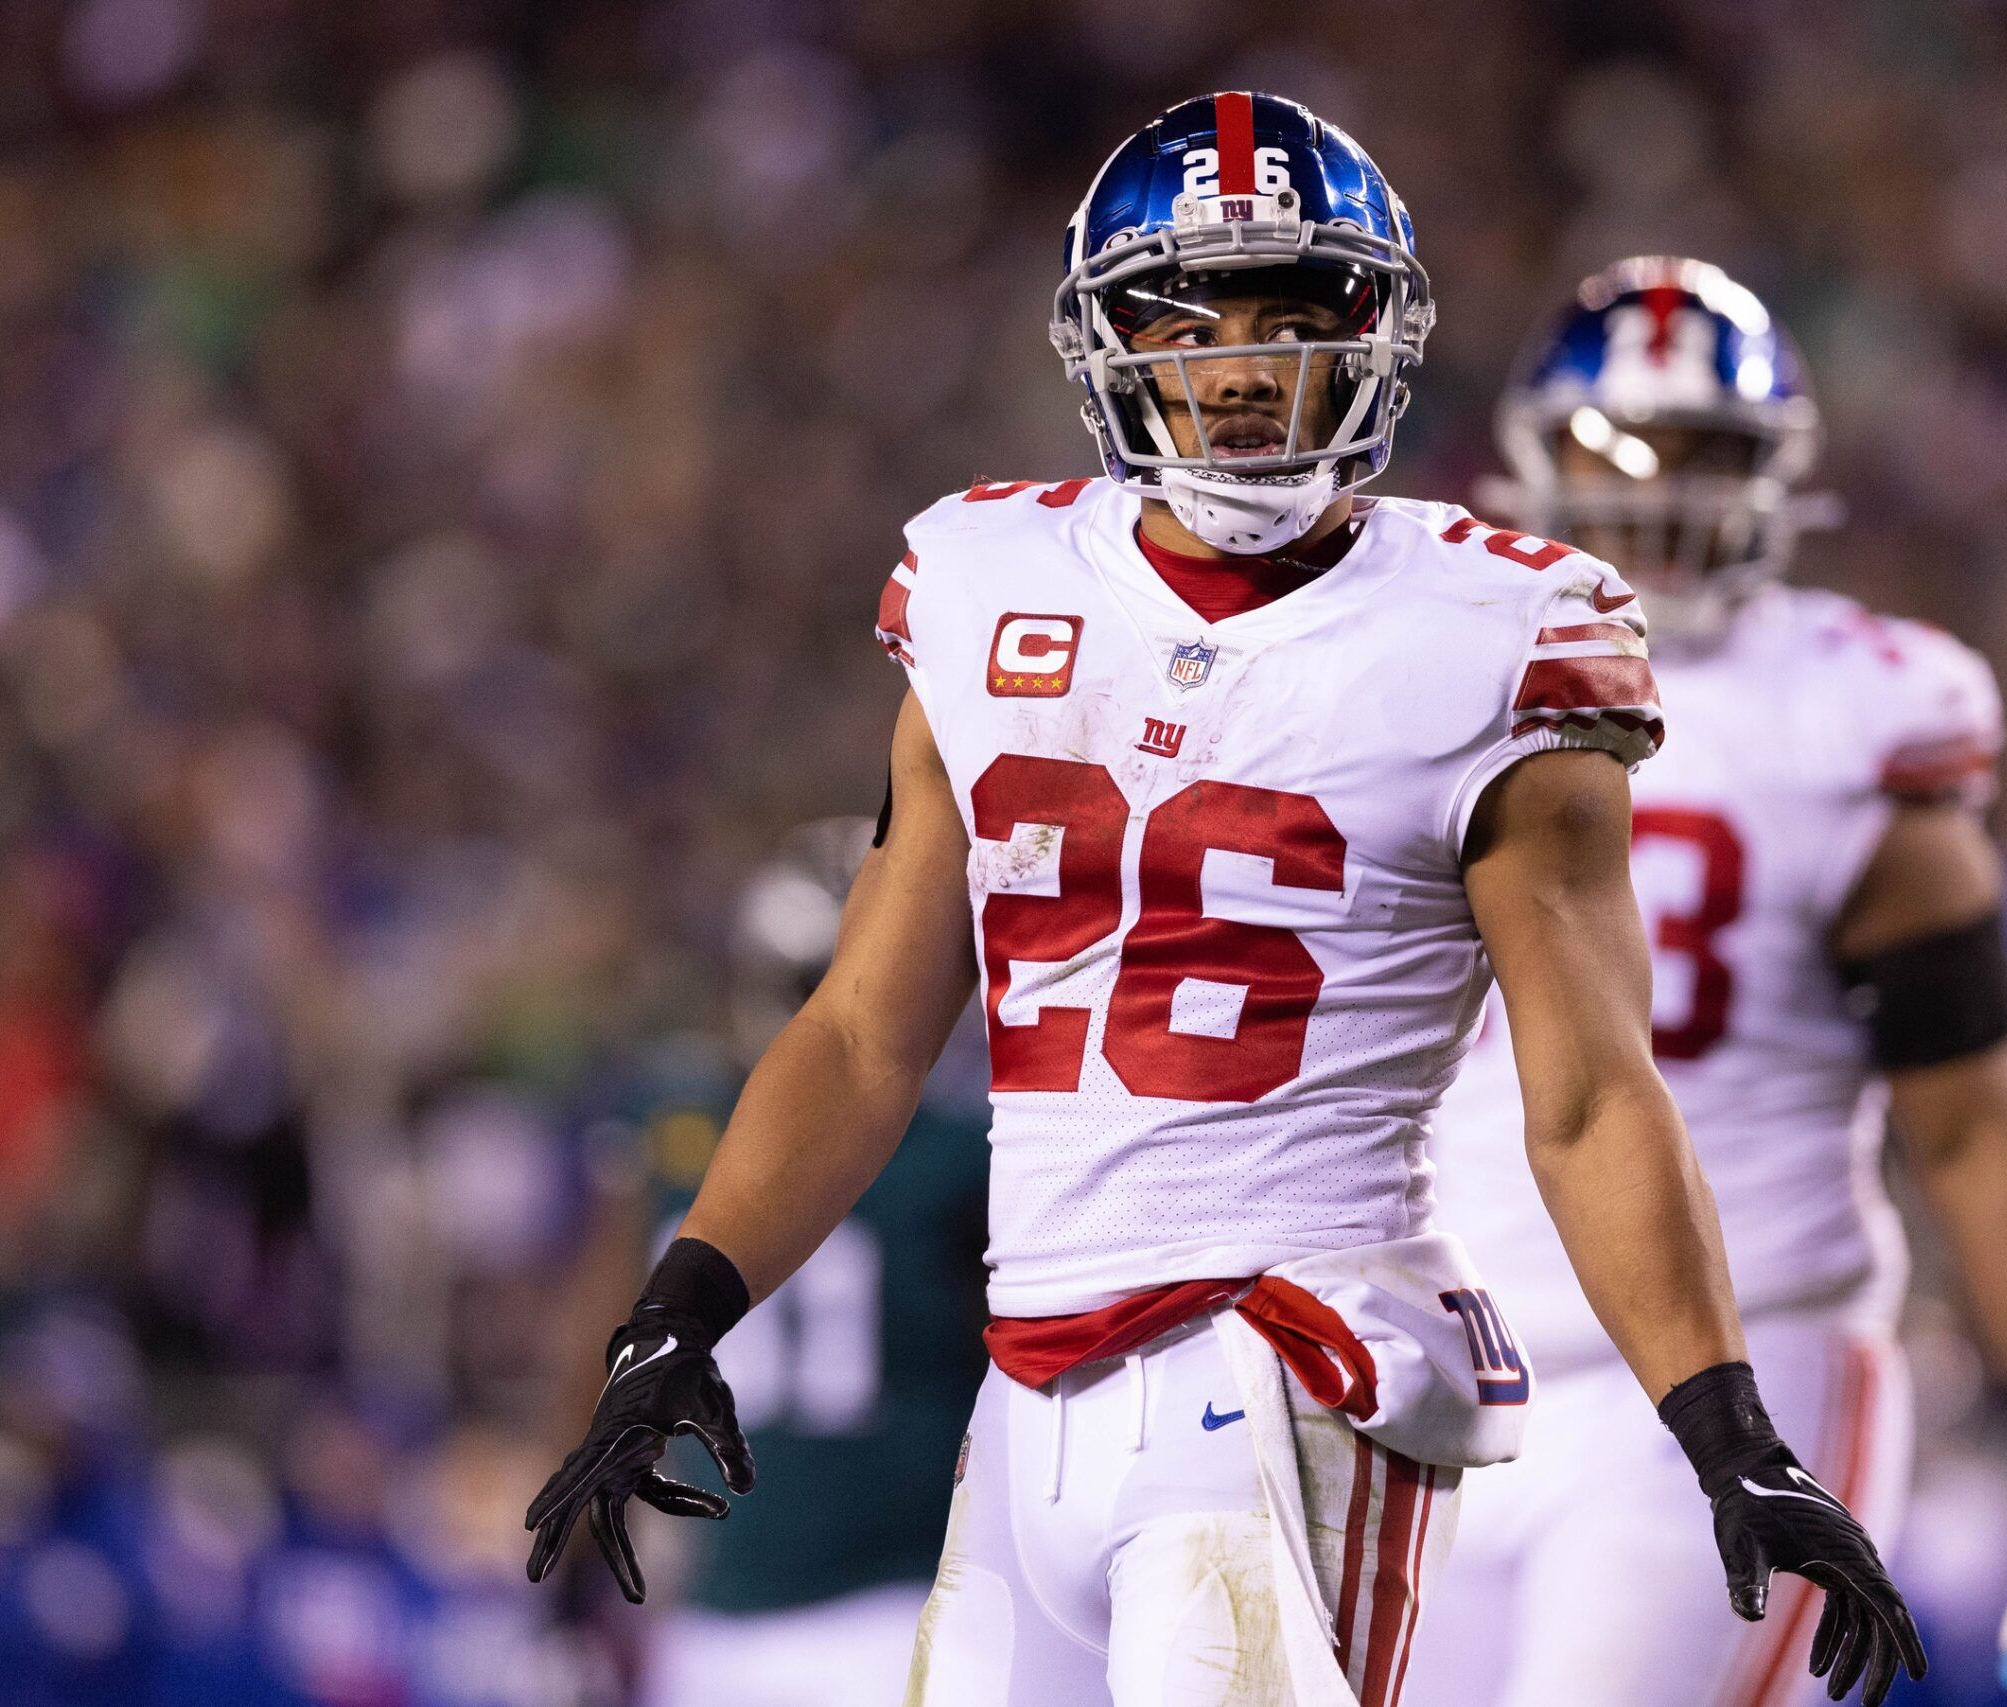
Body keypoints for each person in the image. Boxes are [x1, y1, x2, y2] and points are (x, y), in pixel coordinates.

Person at [522, 95, 1925, 1707]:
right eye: (1185, 317)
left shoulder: (1500, 631)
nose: (1242, 367)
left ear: (1377, 337)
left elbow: (1596, 1094)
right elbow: (861, 1029)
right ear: (1106, 340)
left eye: (1291, 315)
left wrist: (1723, 1417)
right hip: (1029, 1385)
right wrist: (686, 1296)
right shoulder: (990, 586)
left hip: (1295, 1357)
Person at [1405, 257, 2007, 1707]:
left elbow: (1969, 1115)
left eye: (1702, 453)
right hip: (1444, 1376)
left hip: (1738, 1374)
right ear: (1530, 461)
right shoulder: (1430, 679)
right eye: (1612, 449)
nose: (1658, 493)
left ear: (1777, 474)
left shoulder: (1857, 709)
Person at [626, 821, 991, 1707]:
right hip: (891, 1611)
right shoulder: (956, 1157)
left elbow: (602, 1341)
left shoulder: (679, 1140)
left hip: (719, 1618)